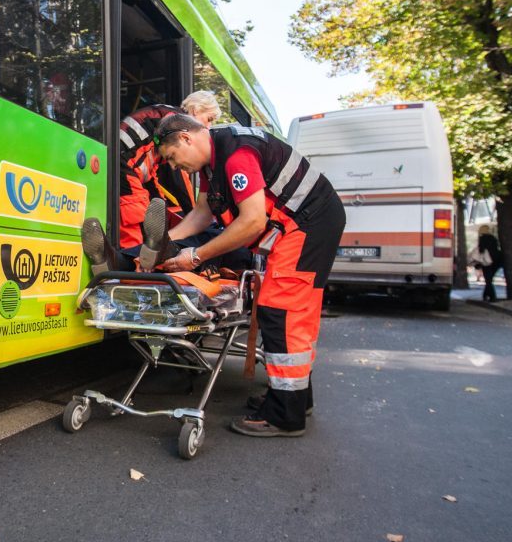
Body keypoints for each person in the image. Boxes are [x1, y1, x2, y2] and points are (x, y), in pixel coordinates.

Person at [152, 113, 345, 438]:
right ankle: (295, 399)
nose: (174, 167)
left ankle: (286, 415)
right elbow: (202, 213)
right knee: (289, 313)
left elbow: (253, 221)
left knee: (280, 312)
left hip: (309, 223)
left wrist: (196, 255)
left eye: (172, 157)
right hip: (305, 223)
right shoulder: (211, 163)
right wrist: (166, 243)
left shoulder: (237, 155)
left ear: (186, 138)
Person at [116, 91, 222, 249]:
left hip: (135, 166)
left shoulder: (165, 114)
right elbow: (178, 178)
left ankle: (152, 251)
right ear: (196, 110)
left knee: (159, 209)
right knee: (134, 213)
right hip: (124, 163)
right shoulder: (175, 122)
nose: (208, 126)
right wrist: (194, 213)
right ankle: (132, 262)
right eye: (209, 119)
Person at [476, 225, 502, 302]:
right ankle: (487, 295)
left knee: (488, 280)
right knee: (489, 280)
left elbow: (481, 251)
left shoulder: (482, 239)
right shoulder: (493, 238)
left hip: (486, 262)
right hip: (496, 261)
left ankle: (491, 296)